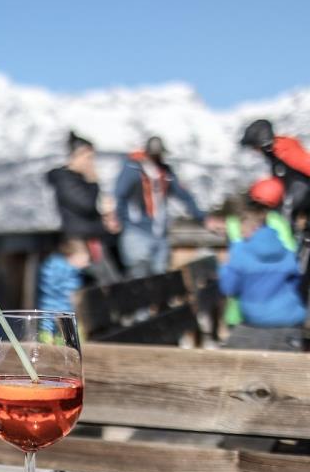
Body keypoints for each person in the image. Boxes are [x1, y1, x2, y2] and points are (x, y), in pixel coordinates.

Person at [220, 194, 307, 351]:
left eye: (242, 230)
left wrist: (225, 265)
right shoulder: (285, 250)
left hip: (256, 320)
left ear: (252, 228)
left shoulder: (241, 250)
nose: (240, 235)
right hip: (290, 319)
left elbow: (229, 288)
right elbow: (296, 282)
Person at [114, 136, 204, 278]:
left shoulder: (165, 172)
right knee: (138, 275)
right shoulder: (132, 168)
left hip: (160, 233)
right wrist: (121, 220)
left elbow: (183, 195)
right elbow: (119, 195)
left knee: (160, 277)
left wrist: (202, 217)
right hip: (136, 231)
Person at [46, 132, 120, 283]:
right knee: (98, 284)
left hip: (93, 239)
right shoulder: (65, 180)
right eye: (88, 158)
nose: (91, 163)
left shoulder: (80, 179)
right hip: (79, 243)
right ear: (76, 156)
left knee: (109, 281)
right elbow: (86, 205)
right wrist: (93, 181)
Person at [240, 119, 310, 230]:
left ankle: (287, 244)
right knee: (279, 212)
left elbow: (306, 164)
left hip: (302, 189)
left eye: (255, 146)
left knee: (287, 210)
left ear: (262, 141)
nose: (255, 151)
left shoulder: (284, 149)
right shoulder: (273, 154)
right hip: (295, 191)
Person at [37, 237, 89, 314]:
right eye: (84, 261)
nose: (86, 265)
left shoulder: (72, 273)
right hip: (54, 313)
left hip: (60, 312)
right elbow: (68, 295)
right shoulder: (60, 270)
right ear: (72, 256)